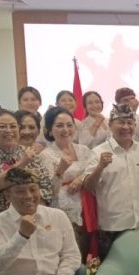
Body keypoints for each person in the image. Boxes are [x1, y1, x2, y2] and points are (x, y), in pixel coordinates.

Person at [83, 104, 139, 259]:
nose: (126, 127)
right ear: (110, 125)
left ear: (135, 125)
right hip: (112, 227)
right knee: (113, 269)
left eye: (130, 123)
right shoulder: (98, 152)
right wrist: (100, 167)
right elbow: (88, 186)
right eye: (121, 122)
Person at [0, 109, 52, 223]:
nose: (9, 130)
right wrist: (21, 164)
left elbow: (46, 185)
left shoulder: (29, 152)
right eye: (2, 126)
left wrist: (34, 210)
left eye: (13, 126)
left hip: (35, 217)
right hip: (0, 221)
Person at [39, 107, 95, 261]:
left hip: (88, 206)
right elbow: (48, 191)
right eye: (59, 125)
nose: (65, 129)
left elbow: (93, 170)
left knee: (90, 252)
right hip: (64, 210)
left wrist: (81, 178)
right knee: (71, 255)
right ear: (50, 131)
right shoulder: (45, 155)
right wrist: (60, 171)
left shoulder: (84, 150)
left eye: (69, 125)